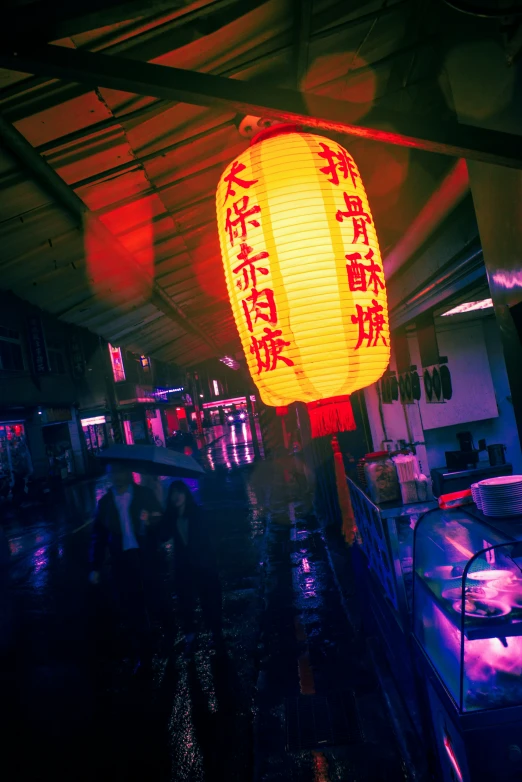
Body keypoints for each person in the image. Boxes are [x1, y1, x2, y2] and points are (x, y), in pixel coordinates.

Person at [89, 464, 163, 674]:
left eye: (119, 471)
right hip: (121, 560)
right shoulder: (105, 503)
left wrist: (153, 519)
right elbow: (99, 536)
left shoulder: (144, 494)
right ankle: (143, 655)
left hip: (144, 556)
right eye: (113, 472)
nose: (116, 476)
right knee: (131, 608)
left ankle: (161, 634)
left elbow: (159, 521)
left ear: (128, 472)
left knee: (153, 600)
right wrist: (94, 566)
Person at [162, 481, 222, 656]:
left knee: (208, 600)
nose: (176, 497)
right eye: (173, 493)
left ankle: (215, 634)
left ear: (186, 494)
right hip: (183, 567)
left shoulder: (196, 513)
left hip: (203, 565)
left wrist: (208, 562)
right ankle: (190, 637)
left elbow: (208, 538)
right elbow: (162, 536)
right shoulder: (171, 516)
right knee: (185, 603)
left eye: (180, 492)